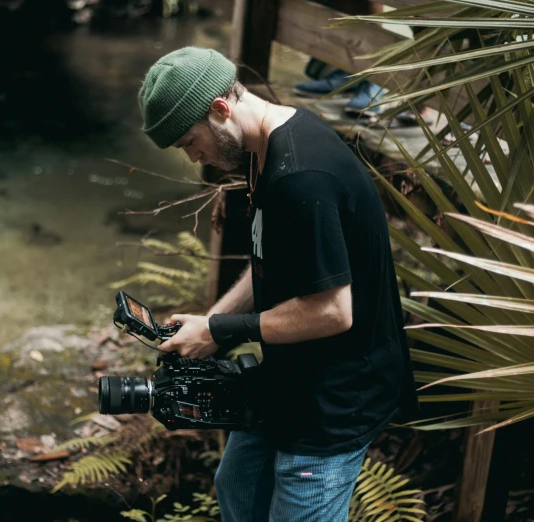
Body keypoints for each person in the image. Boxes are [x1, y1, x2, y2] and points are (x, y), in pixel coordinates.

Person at [137, 47, 419, 521]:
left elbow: (332, 311)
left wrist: (223, 331)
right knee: (238, 486)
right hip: (291, 377)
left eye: (189, 141)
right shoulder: (262, 149)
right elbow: (267, 260)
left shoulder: (301, 176)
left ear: (220, 109)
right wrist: (212, 321)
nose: (193, 159)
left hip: (337, 398)